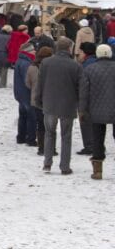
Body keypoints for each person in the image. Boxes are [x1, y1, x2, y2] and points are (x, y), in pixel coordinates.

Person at [35, 37, 81, 174]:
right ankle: (64, 166)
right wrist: (80, 104)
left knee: (49, 133)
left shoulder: (46, 63)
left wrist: (38, 100)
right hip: (68, 104)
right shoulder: (75, 65)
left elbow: (40, 83)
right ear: (69, 49)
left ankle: (47, 163)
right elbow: (80, 87)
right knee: (66, 136)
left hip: (49, 103)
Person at [81, 44, 115, 180]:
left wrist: (82, 110)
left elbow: (84, 93)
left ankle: (98, 171)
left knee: (97, 139)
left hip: (95, 109)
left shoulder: (89, 69)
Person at [13, 42, 37, 147]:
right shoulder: (26, 63)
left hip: (20, 93)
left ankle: (21, 137)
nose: (35, 51)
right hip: (26, 93)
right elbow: (28, 80)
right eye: (32, 50)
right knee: (31, 116)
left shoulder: (20, 61)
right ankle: (30, 138)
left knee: (23, 115)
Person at [76, 42, 98, 156]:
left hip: (87, 98)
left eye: (80, 51)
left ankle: (89, 146)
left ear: (85, 52)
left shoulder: (85, 65)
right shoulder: (97, 62)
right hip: (98, 98)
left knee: (86, 122)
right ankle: (98, 144)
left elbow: (83, 84)